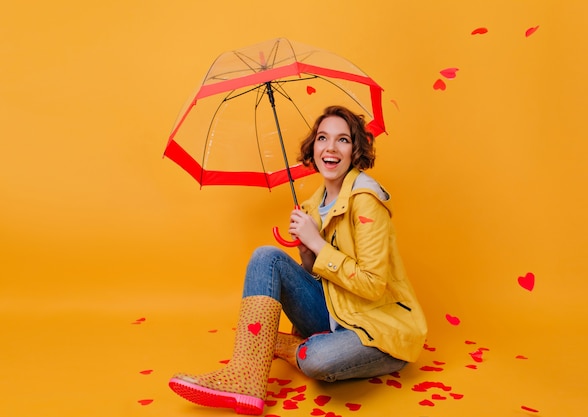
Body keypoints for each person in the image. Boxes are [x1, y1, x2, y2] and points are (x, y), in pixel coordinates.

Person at [168, 105, 428, 415]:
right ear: (313, 147)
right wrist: (307, 254)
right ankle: (246, 379)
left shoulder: (366, 202)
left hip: (378, 331)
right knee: (267, 257)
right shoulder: (311, 206)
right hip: (335, 314)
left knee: (315, 359)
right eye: (322, 138)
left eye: (342, 140)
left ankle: (287, 346)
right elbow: (320, 284)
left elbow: (373, 286)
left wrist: (317, 243)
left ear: (355, 150)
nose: (330, 148)